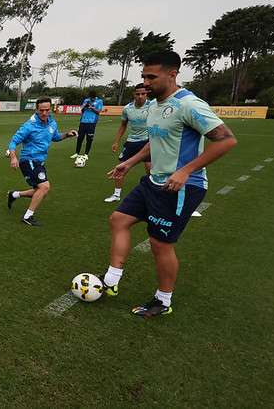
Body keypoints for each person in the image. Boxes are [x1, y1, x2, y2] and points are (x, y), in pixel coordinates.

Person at [101, 51, 237, 317]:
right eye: (143, 76)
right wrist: (130, 162)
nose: (145, 82)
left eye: (151, 77)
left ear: (172, 74)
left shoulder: (190, 105)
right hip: (153, 181)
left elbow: (227, 140)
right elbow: (156, 140)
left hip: (181, 187)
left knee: (160, 244)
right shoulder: (154, 105)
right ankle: (111, 281)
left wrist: (185, 171)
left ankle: (163, 301)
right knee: (118, 220)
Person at [6, 97, 77, 226]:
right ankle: (28, 217)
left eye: (47, 110)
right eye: (41, 110)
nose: (44, 113)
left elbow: (55, 137)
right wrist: (13, 157)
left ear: (51, 109)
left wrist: (67, 134)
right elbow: (13, 142)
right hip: (28, 160)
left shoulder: (52, 123)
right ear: (36, 110)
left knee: (40, 191)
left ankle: (14, 194)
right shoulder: (29, 125)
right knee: (44, 187)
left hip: (40, 161)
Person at [105, 84, 151, 202]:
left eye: (143, 94)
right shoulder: (127, 109)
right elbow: (123, 125)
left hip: (147, 142)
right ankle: (116, 194)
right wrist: (116, 141)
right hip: (131, 142)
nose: (140, 96)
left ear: (147, 94)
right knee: (120, 168)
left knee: (151, 171)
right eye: (138, 94)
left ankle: (154, 195)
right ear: (133, 94)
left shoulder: (153, 106)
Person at [72, 90, 103, 161]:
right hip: (83, 121)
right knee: (80, 138)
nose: (91, 99)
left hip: (92, 122)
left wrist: (91, 107)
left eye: (93, 98)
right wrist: (85, 106)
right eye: (90, 98)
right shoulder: (86, 100)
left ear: (95, 97)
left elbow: (98, 112)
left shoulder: (99, 101)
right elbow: (82, 110)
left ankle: (86, 154)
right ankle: (77, 153)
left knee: (89, 139)